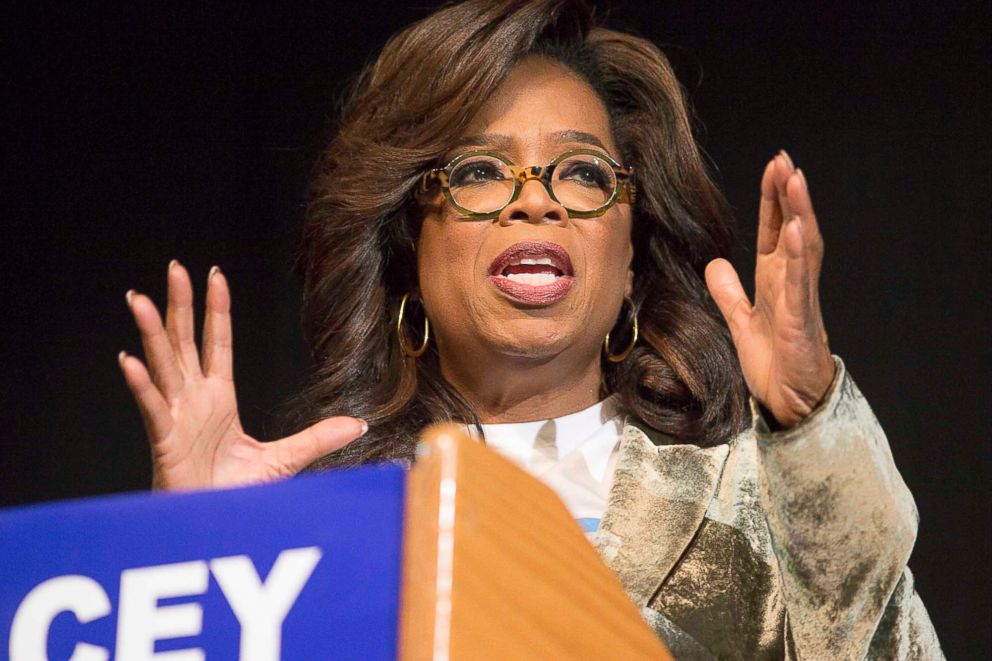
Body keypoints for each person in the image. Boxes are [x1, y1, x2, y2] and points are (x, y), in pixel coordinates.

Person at [117, 0, 943, 657]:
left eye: (584, 171)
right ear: (409, 251)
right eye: (479, 171)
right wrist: (191, 559)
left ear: (629, 265)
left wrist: (810, 425)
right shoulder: (321, 528)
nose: (536, 198)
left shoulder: (756, 502)